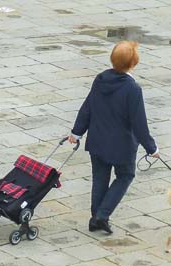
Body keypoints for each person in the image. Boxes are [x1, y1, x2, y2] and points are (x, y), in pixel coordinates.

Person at [68, 41, 159, 234]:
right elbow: (139, 123)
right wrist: (151, 148)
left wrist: (77, 132)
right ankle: (102, 215)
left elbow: (87, 107)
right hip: (122, 146)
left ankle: (96, 218)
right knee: (125, 176)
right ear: (133, 63)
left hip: (97, 141)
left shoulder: (100, 79)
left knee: (99, 179)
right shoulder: (133, 89)